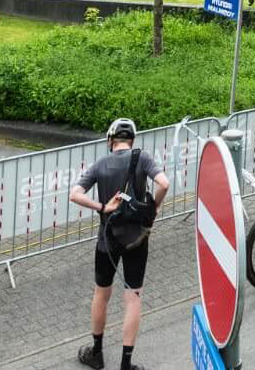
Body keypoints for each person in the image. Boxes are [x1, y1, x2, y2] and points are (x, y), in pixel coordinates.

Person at [70, 118, 170, 370]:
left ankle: (97, 353)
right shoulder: (143, 158)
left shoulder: (100, 164)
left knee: (101, 294)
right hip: (137, 238)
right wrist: (154, 207)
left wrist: (103, 207)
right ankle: (126, 363)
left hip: (107, 239)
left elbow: (74, 194)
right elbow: (164, 183)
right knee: (133, 297)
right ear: (132, 140)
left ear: (110, 140)